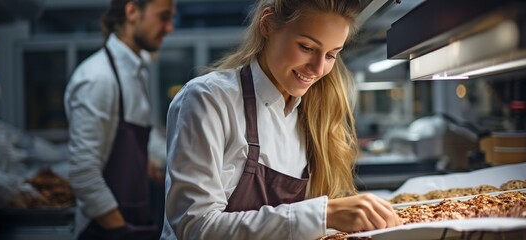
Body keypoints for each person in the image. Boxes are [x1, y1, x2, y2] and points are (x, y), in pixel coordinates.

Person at [161, 0, 401, 239]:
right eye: (306, 47)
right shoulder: (208, 99)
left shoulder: (313, 114)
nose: (318, 69)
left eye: (330, 55)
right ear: (267, 24)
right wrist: (322, 214)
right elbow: (195, 227)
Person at [64, 0, 175, 239]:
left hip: (136, 218)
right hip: (107, 230)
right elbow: (84, 174)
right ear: (132, 11)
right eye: (163, 17)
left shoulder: (137, 72)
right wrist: (122, 231)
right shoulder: (98, 78)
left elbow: (136, 141)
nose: (169, 28)